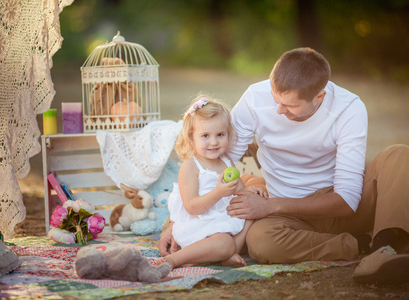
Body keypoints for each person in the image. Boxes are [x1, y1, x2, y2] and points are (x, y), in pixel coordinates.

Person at [158, 48, 409, 286]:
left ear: (319, 96)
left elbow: (347, 199)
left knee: (398, 155)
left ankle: (386, 250)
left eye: (289, 105)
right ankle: (363, 244)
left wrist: (270, 206)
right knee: (260, 242)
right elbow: (215, 164)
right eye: (276, 99)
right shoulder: (256, 98)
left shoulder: (349, 108)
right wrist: (175, 223)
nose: (279, 110)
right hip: (289, 217)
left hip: (340, 206)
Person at [157, 96, 268, 269]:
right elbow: (192, 207)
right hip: (199, 226)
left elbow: (239, 188)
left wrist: (250, 191)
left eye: (220, 135)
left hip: (222, 220)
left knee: (251, 212)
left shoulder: (226, 162)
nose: (214, 142)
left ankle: (231, 253)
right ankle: (175, 259)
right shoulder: (191, 166)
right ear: (192, 138)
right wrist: (219, 193)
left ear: (228, 134)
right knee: (223, 242)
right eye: (205, 136)